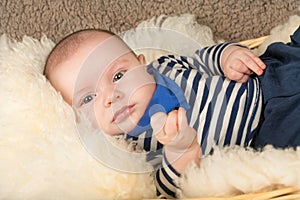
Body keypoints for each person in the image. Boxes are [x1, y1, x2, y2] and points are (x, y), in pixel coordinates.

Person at [43, 27, 300, 198]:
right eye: (88, 98)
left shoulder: (164, 66)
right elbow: (166, 187)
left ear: (141, 64)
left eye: (118, 75)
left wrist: (228, 56)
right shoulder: (130, 147)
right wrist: (180, 151)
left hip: (269, 72)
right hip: (270, 127)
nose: (111, 95)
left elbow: (202, 59)